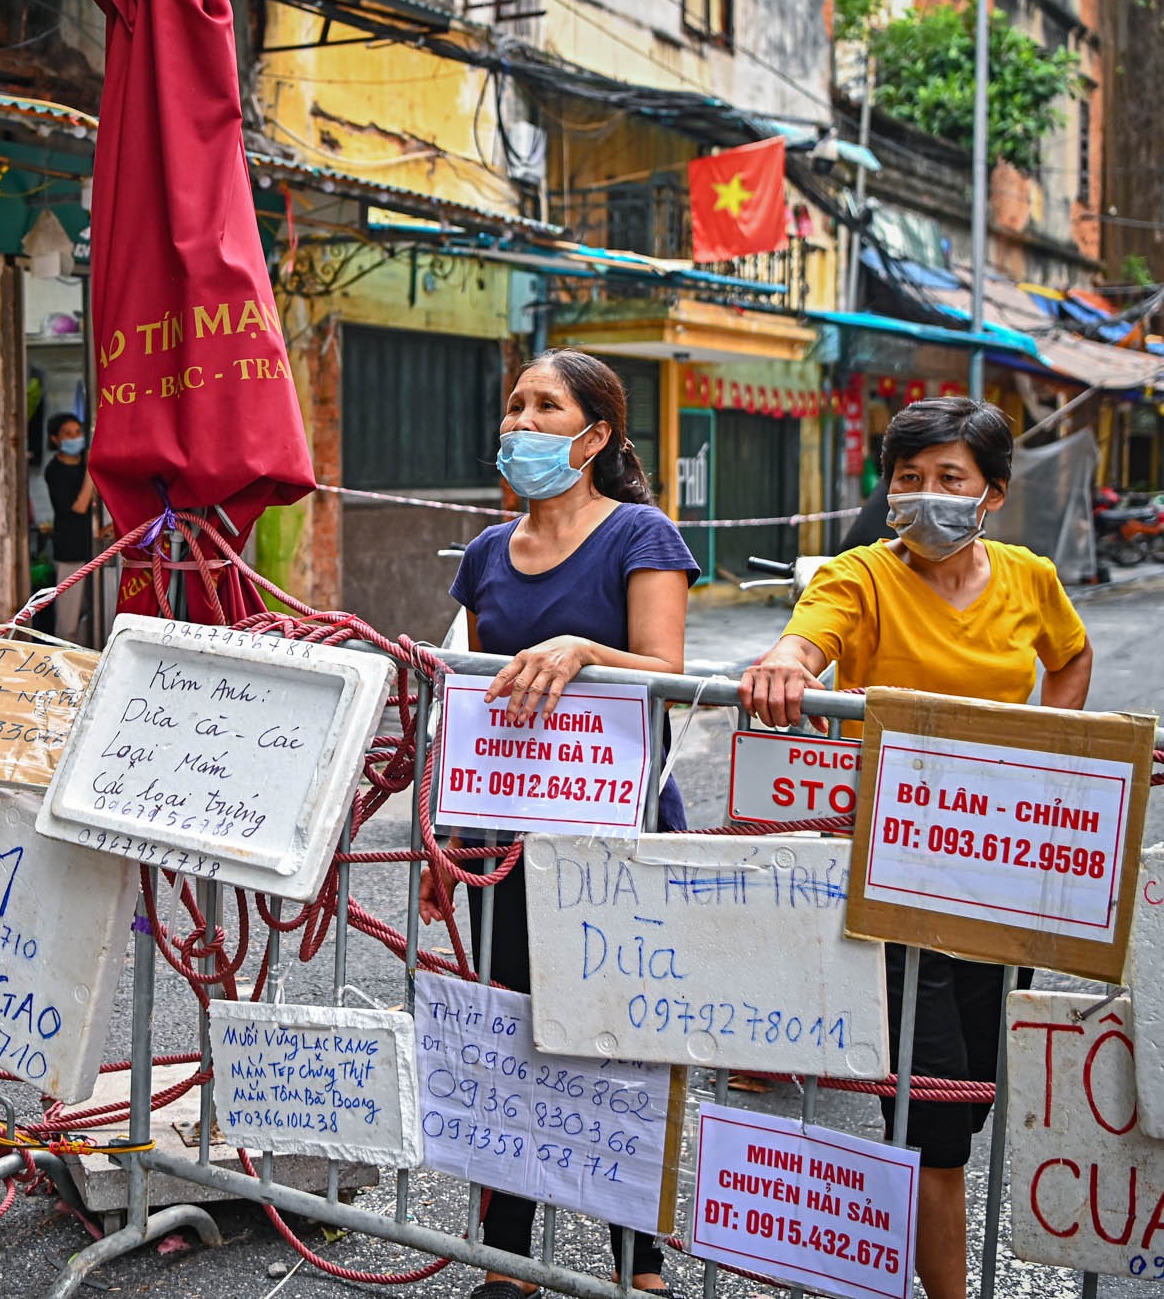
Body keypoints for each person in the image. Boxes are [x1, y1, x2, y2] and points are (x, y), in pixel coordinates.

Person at [740, 397, 1091, 1299]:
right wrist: (787, 660)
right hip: (893, 877)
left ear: (993, 494)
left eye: (949, 479)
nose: (925, 496)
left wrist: (1055, 761)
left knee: (971, 1086)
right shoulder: (861, 573)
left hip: (1003, 877)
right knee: (932, 1106)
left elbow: (1070, 657)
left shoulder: (1029, 578)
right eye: (907, 478)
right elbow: (810, 634)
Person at [433, 349, 699, 1299]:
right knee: (509, 1040)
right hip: (500, 840)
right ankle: (509, 1260)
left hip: (616, 838)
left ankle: (641, 1264)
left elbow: (666, 667)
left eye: (546, 406)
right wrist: (443, 829)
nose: (520, 421)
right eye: (514, 404)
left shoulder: (642, 534)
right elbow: (462, 703)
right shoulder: (483, 556)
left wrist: (584, 646)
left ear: (594, 437)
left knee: (618, 1042)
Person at [42, 413, 100, 642]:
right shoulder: (54, 471)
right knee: (68, 625)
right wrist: (91, 470)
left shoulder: (83, 466)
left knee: (89, 618)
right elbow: (79, 507)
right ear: (55, 439)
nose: (75, 438)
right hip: (70, 553)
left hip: (91, 549)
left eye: (78, 432)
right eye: (68, 434)